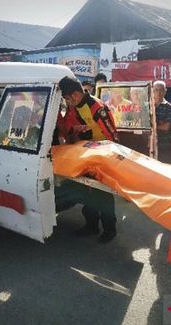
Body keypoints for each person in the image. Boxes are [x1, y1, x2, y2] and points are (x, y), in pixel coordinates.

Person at [55, 76, 119, 243]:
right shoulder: (73, 108)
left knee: (103, 195)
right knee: (87, 192)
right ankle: (91, 226)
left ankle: (109, 230)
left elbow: (112, 136)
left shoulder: (97, 107)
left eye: (67, 98)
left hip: (102, 158)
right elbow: (68, 128)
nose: (66, 102)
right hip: (84, 157)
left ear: (75, 95)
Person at [153, 81, 171, 163]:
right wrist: (159, 124)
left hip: (164, 145)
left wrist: (151, 126)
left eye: (161, 90)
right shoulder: (147, 106)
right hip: (149, 145)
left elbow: (166, 127)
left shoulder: (170, 107)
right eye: (156, 90)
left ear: (165, 91)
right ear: (152, 91)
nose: (158, 92)